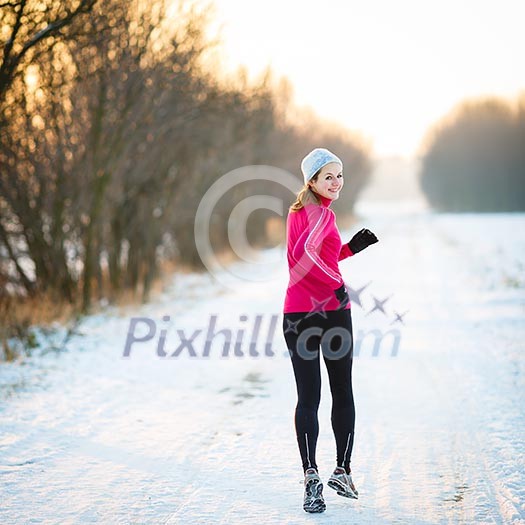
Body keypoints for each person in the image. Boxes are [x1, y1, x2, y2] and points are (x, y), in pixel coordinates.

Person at [282, 147, 378, 513]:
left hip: (296, 315)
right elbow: (308, 257)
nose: (336, 182)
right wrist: (336, 286)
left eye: (339, 175)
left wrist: (352, 248)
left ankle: (312, 478)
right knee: (341, 391)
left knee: (308, 398)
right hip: (332, 314)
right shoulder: (321, 212)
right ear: (313, 180)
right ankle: (342, 470)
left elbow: (316, 254)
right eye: (329, 176)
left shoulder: (299, 212)